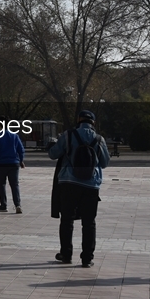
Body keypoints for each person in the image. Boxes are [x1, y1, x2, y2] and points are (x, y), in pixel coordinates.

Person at [48, 110, 111, 268]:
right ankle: (87, 258)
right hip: (91, 184)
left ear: (78, 120)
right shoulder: (99, 139)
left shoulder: (68, 135)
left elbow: (53, 154)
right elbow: (104, 163)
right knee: (89, 222)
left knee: (67, 220)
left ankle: (66, 253)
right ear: (93, 123)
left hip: (68, 182)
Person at [0, 128, 26, 212]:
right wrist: (21, 160)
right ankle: (17, 205)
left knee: (1, 185)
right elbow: (21, 149)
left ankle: (3, 205)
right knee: (14, 185)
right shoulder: (14, 136)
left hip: (0, 164)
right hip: (13, 163)